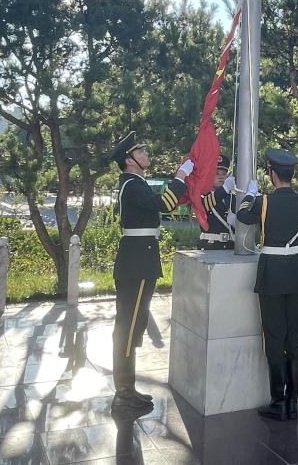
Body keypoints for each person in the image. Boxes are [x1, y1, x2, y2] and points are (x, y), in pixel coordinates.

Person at [109, 131, 192, 410]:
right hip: (137, 262)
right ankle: (123, 390)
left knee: (133, 323)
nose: (146, 154)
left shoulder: (135, 183)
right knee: (128, 325)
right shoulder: (132, 185)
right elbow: (164, 204)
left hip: (139, 258)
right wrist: (180, 177)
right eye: (140, 151)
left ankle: (127, 387)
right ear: (129, 160)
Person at [236, 148, 298, 421]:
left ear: (272, 174)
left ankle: (278, 402)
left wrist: (250, 196)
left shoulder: (264, 201)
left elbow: (242, 216)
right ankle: (293, 404)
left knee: (274, 339)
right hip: (296, 272)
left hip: (272, 272)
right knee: (295, 340)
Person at [198, 154, 237, 250]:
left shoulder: (232, 198)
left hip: (230, 247)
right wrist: (224, 189)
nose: (221, 177)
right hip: (210, 246)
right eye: (216, 174)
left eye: (224, 174)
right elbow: (204, 205)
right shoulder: (201, 196)